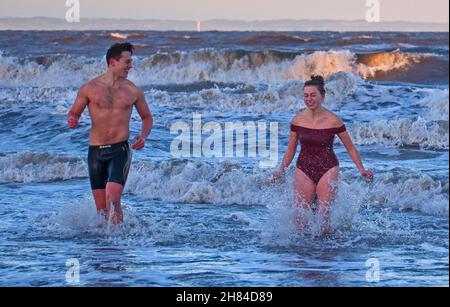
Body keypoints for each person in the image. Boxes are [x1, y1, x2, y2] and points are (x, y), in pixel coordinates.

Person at [272, 75, 373, 232]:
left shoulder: (334, 120)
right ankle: (302, 253)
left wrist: (362, 169)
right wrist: (281, 171)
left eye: (313, 95)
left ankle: (325, 252)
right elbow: (291, 149)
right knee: (300, 220)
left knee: (323, 218)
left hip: (328, 168)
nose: (309, 99)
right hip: (303, 168)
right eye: (306, 95)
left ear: (322, 96)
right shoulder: (297, 120)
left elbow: (350, 148)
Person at [67, 42, 153, 224]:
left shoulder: (132, 90)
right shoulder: (89, 88)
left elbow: (147, 118)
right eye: (127, 62)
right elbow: (74, 112)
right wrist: (73, 118)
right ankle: (106, 246)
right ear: (113, 62)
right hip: (95, 152)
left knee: (112, 197)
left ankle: (118, 238)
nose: (131, 66)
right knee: (101, 209)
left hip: (119, 150)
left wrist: (143, 136)